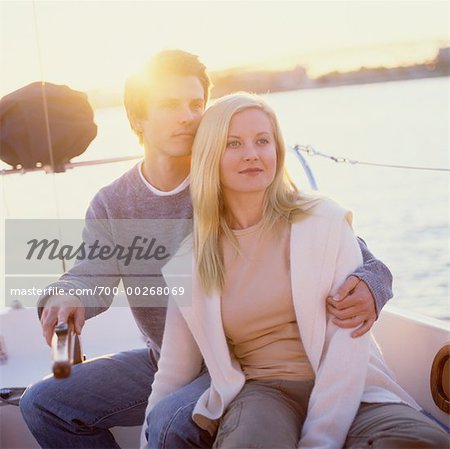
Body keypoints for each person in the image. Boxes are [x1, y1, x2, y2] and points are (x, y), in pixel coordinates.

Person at [20, 50, 393, 449]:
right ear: (136, 120)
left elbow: (338, 241)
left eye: (196, 104)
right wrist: (67, 292)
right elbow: (92, 269)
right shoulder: (114, 202)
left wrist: (372, 281)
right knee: (43, 403)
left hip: (234, 361)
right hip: (164, 360)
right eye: (169, 105)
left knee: (169, 424)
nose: (188, 116)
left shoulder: (235, 177)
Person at [141, 93, 448, 449]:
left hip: (352, 386)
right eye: (234, 144)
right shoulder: (189, 261)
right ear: (211, 156)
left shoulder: (324, 220)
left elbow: (345, 347)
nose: (252, 154)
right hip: (262, 394)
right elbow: (173, 373)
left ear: (277, 150)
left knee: (421, 442)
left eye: (262, 141)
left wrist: (320, 440)